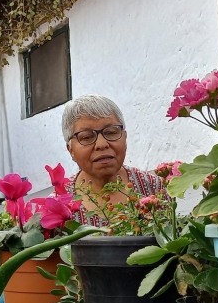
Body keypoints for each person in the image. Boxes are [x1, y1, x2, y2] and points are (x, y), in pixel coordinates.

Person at [62, 94, 164, 226]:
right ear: (71, 150)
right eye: (87, 137)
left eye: (111, 132)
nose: (101, 144)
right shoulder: (59, 206)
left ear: (125, 137)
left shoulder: (152, 187)